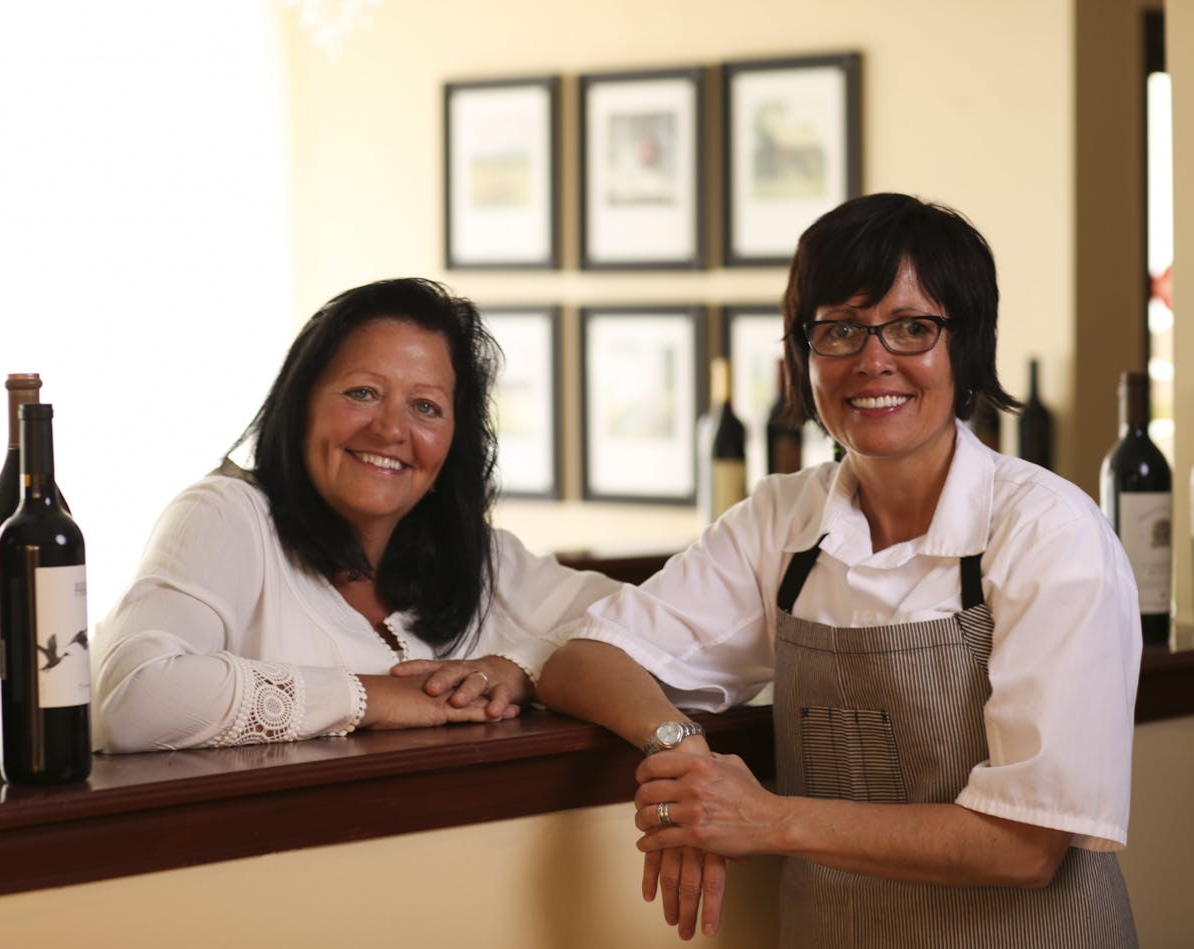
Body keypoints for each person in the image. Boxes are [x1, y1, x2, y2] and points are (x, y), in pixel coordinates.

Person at [537, 193, 1141, 946]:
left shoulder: (1049, 532)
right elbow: (584, 660)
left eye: (913, 327)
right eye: (841, 329)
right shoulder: (781, 518)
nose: (872, 359)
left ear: (969, 345)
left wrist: (765, 817)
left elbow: (1025, 844)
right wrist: (680, 750)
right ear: (804, 352)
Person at [94, 277, 619, 752]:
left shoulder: (487, 560)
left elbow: (654, 636)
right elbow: (134, 699)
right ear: (302, 404)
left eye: (426, 407)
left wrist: (519, 668)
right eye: (363, 393)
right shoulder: (226, 515)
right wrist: (375, 699)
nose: (391, 429)